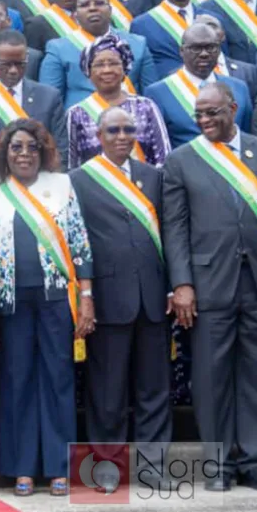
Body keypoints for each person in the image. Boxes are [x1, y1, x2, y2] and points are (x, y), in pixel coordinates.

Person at [163, 82, 257, 490]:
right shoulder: (182, 160)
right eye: (199, 115)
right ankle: (220, 464)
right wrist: (182, 284)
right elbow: (175, 229)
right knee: (211, 377)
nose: (205, 120)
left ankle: (255, 460)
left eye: (212, 113)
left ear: (233, 108)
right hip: (207, 285)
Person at [0, 118, 93, 496]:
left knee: (58, 379)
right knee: (17, 381)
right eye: (16, 147)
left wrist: (87, 298)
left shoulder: (62, 185)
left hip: (56, 299)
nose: (24, 154)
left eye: (31, 147)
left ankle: (59, 467)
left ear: (43, 150)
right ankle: (23, 468)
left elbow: (79, 243)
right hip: (11, 304)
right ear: (4, 154)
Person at [69, 107, 171, 451]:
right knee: (108, 389)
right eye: (113, 130)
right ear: (99, 137)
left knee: (154, 387)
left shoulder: (153, 176)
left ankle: (152, 465)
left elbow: (169, 235)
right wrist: (86, 294)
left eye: (128, 129)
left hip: (154, 297)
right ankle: (107, 463)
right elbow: (77, 241)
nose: (122, 136)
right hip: (108, 297)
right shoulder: (79, 179)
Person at [39, 0, 156, 107]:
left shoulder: (138, 44)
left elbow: (151, 94)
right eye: (84, 5)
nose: (92, 8)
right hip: (82, 119)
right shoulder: (58, 48)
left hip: (131, 119)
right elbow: (50, 100)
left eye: (99, 3)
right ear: (75, 15)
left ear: (110, 10)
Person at [67, 35, 171, 168]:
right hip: (94, 186)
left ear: (124, 68)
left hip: (143, 186)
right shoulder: (76, 113)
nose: (107, 70)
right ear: (88, 71)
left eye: (114, 63)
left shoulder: (146, 106)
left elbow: (164, 158)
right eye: (99, 65)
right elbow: (72, 166)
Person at [0, 30, 68, 160]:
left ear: (27, 58)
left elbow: (61, 148)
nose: (13, 70)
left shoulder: (49, 96)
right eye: (6, 64)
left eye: (20, 64)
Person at [145, 22, 252, 149]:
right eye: (196, 48)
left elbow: (246, 137)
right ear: (182, 51)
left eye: (210, 47)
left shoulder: (239, 88)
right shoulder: (158, 92)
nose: (204, 54)